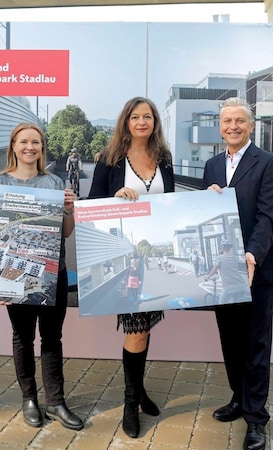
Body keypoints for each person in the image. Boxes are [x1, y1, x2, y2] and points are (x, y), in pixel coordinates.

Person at [88, 96, 175, 438]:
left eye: (148, 116)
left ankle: (138, 392)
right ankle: (129, 402)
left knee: (146, 326)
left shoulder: (164, 159)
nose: (142, 122)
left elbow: (170, 201)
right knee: (136, 329)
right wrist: (114, 199)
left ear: (155, 122)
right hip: (124, 258)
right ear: (125, 122)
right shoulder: (109, 160)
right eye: (135, 117)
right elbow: (91, 204)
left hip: (154, 256)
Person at [0, 123, 84, 430]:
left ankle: (55, 401)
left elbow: (66, 233)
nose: (30, 147)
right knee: (23, 337)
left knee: (52, 337)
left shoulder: (55, 183)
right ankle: (29, 398)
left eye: (36, 142)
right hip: (14, 274)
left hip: (52, 272)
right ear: (13, 146)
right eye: (24, 142)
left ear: (42, 148)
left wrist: (69, 210)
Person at [202, 97, 273, 450]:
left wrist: (252, 254)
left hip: (256, 269)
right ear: (220, 127)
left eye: (239, 121)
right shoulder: (212, 165)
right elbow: (207, 214)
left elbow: (269, 216)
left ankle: (256, 419)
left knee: (256, 346)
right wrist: (207, 199)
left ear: (251, 126)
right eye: (227, 121)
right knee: (231, 342)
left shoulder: (268, 162)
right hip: (223, 270)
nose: (232, 126)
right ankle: (238, 398)